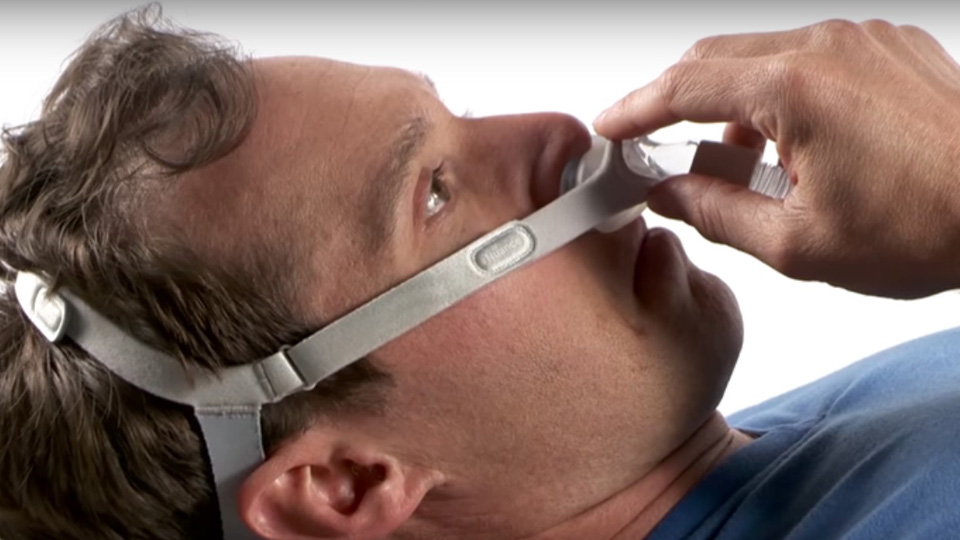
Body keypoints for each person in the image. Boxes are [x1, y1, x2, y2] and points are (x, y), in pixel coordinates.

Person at [0, 8, 956, 540]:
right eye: (433, 192)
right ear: (347, 483)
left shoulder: (787, 446)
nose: (558, 133)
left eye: (455, 113)